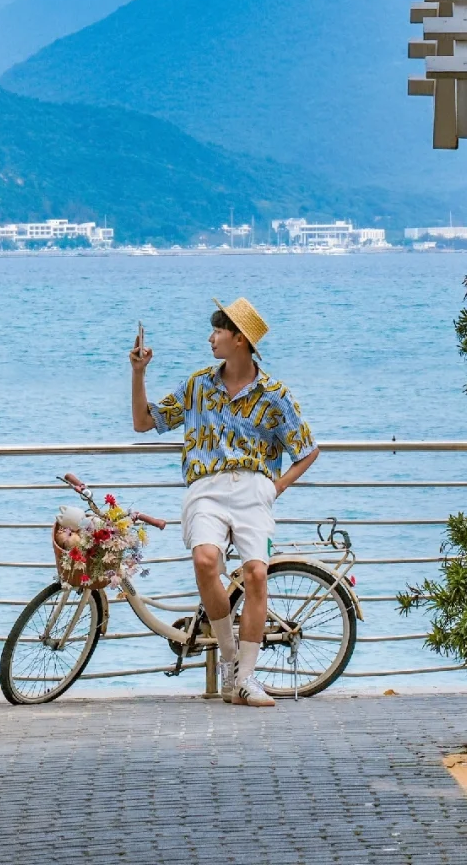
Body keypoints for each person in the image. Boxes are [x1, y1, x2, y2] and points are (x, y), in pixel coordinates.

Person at [130, 296, 319, 707]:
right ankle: (233, 662)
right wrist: (138, 372)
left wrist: (277, 486)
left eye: (218, 330)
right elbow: (145, 421)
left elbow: (307, 449)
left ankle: (246, 679)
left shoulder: (274, 395)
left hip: (254, 489)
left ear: (239, 340)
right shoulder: (198, 385)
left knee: (255, 574)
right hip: (206, 486)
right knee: (205, 561)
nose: (211, 337)